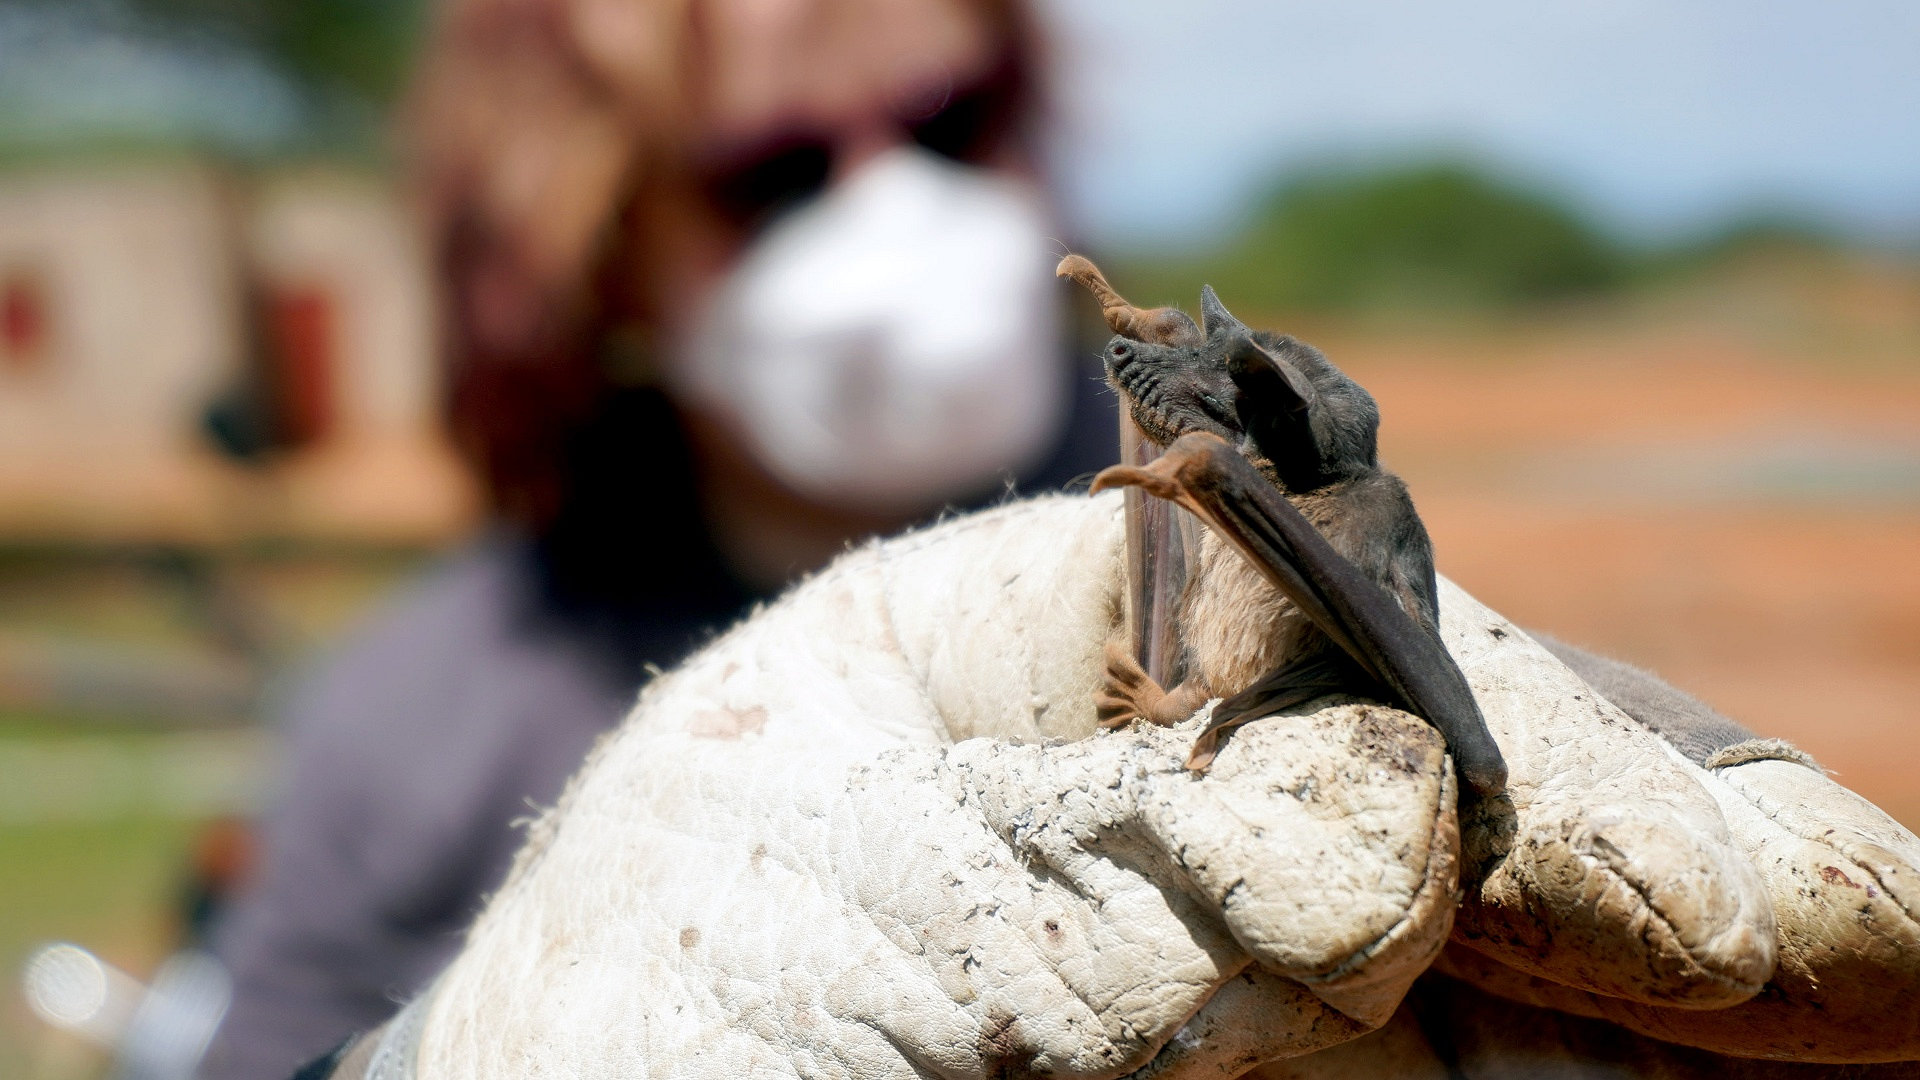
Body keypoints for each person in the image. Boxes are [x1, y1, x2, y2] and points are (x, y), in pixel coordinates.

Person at [202, 0, 1113, 1075]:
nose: (895, 202)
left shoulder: (1245, 539)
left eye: (952, 120)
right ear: (599, 255)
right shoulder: (416, 726)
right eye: (770, 175)